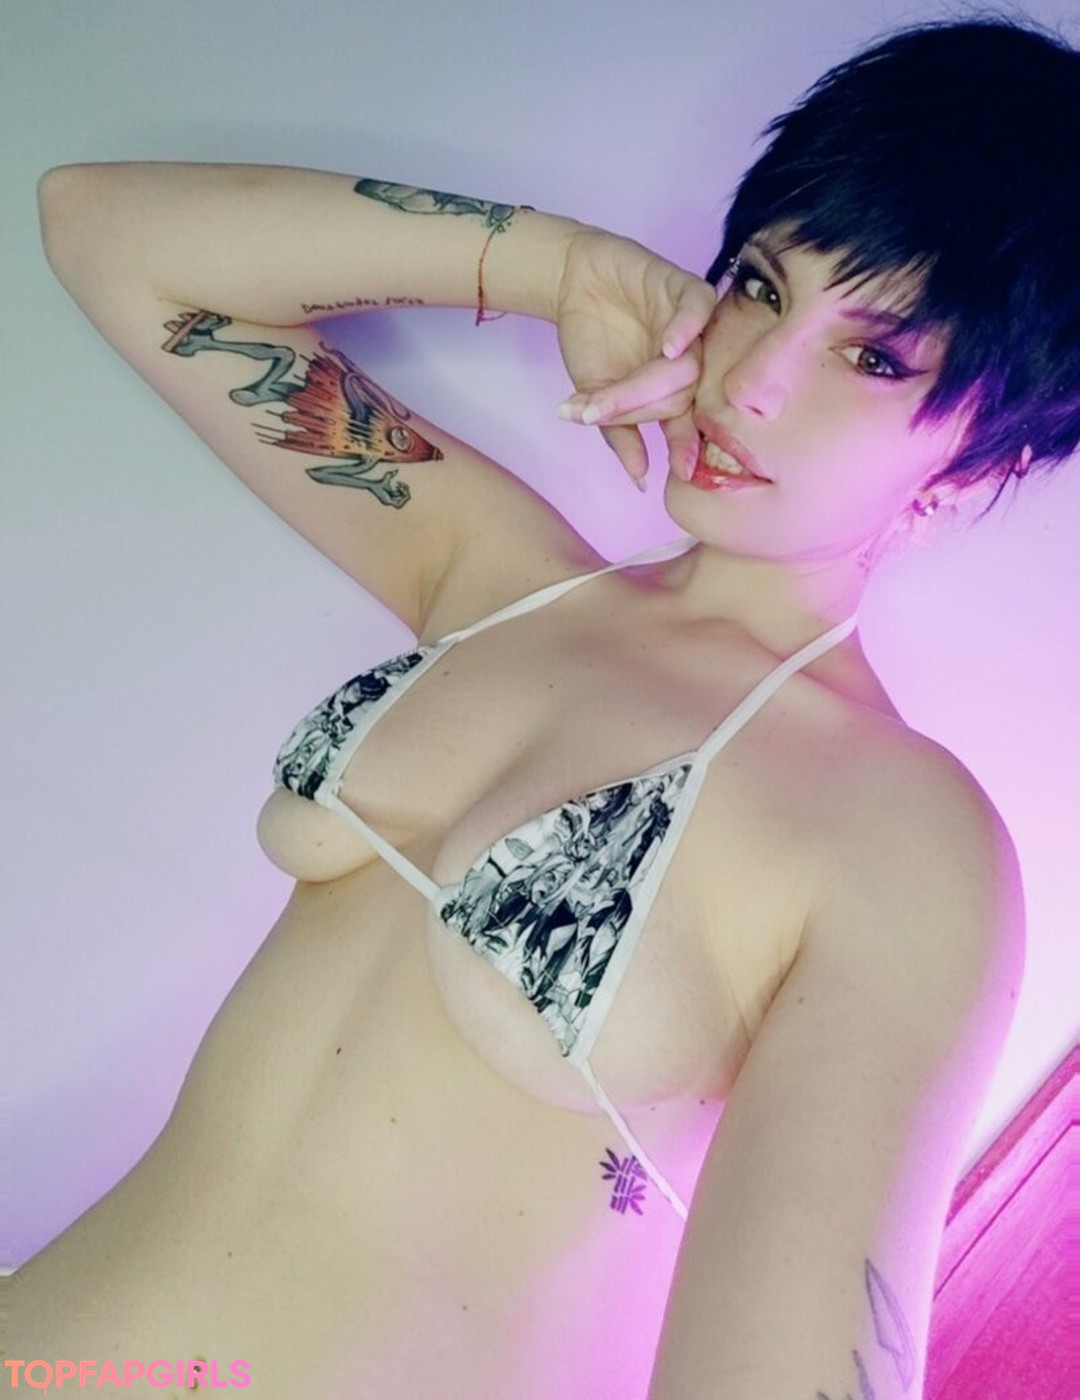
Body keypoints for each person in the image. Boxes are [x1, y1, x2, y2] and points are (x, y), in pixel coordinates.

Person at [15, 15, 1078, 1399]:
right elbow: (107, 232)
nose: (752, 380)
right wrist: (559, 266)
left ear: (979, 463)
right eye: (759, 286)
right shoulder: (497, 578)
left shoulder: (904, 837)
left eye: (874, 358)